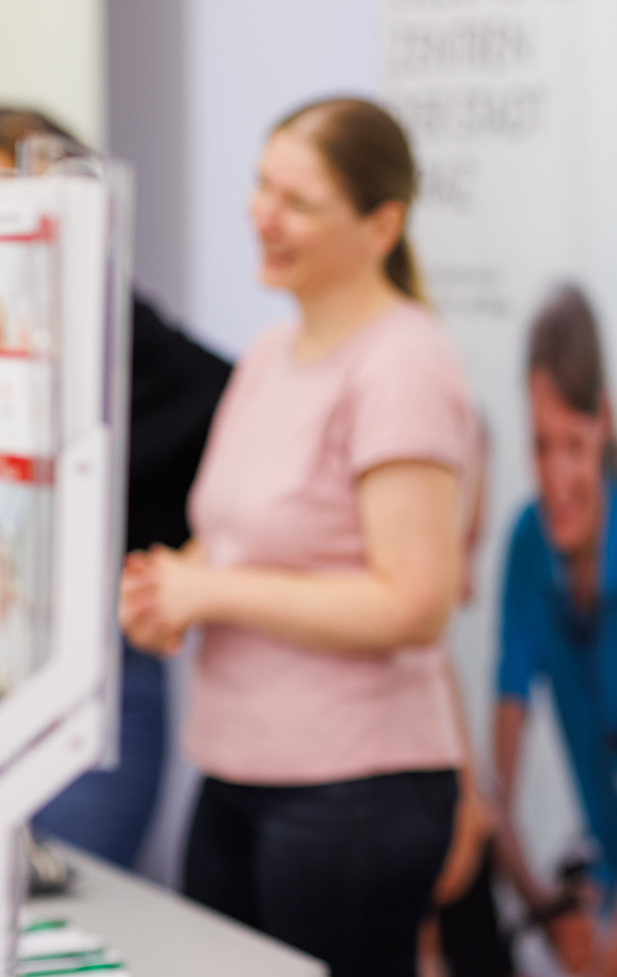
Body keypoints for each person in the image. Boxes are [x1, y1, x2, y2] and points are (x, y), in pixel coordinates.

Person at [118, 97, 477, 977]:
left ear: (382, 225)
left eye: (299, 203)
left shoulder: (403, 362)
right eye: (261, 187)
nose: (263, 217)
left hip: (352, 791)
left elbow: (415, 602)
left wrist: (212, 591)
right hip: (237, 770)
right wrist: (171, 589)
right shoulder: (269, 355)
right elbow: (237, 538)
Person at [0, 106, 233, 870]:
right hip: (7, 667)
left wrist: (176, 571)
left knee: (69, 894)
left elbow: (236, 432)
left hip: (91, 683)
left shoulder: (126, 349)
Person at [493, 284, 617, 976]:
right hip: (610, 875)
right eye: (540, 447)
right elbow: (498, 793)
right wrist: (546, 909)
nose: (557, 477)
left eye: (573, 444)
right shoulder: (526, 544)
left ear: (606, 422)